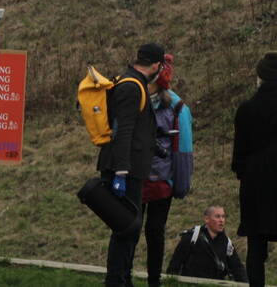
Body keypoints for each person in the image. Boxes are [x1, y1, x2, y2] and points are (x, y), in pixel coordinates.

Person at [97, 43, 165, 287]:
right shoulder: (131, 86)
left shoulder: (133, 83)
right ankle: (116, 280)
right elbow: (123, 130)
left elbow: (135, 127)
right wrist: (122, 172)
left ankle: (122, 278)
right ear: (156, 65)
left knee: (129, 228)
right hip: (125, 169)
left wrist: (155, 144)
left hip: (131, 166)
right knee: (125, 228)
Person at [142, 53, 194, 287]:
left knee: (153, 232)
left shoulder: (176, 106)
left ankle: (154, 280)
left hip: (160, 182)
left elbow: (183, 149)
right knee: (137, 231)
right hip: (144, 177)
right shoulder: (136, 96)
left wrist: (179, 184)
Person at [232, 51, 277, 287]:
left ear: (260, 77)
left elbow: (239, 153)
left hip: (255, 181)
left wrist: (243, 173)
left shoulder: (247, 109)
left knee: (256, 244)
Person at [166, 206, 248, 283]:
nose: (221, 220)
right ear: (206, 219)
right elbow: (175, 264)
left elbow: (237, 268)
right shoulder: (192, 237)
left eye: (223, 216)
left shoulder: (227, 243)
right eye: (217, 216)